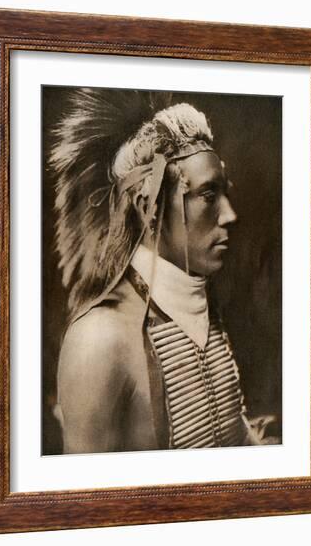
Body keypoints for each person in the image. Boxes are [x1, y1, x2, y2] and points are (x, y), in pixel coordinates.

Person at [48, 88, 271, 454]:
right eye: (208, 196)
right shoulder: (99, 340)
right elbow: (88, 501)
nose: (230, 216)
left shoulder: (201, 314)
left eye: (224, 194)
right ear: (148, 208)